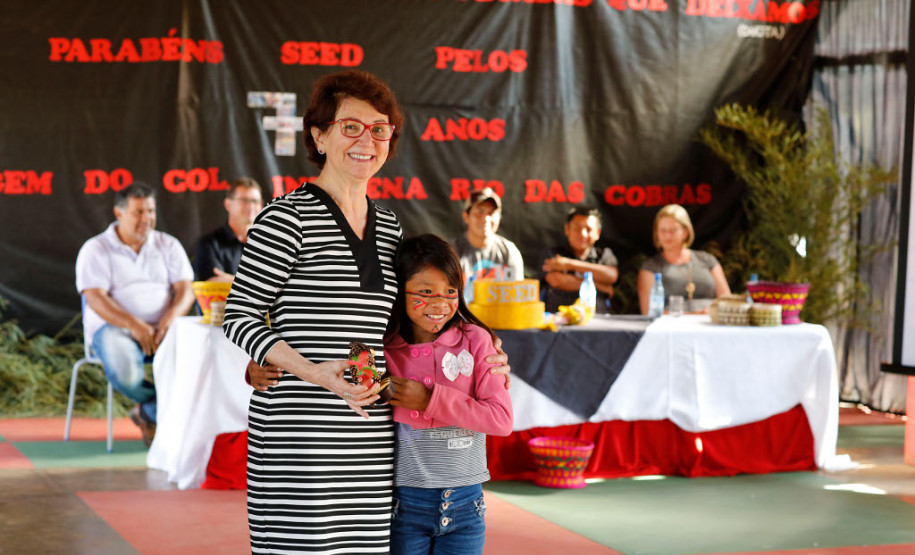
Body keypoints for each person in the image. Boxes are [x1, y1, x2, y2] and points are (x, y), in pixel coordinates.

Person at [222, 70, 510, 554]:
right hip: (300, 438)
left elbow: (413, 316)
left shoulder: (390, 227)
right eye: (350, 126)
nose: (367, 140)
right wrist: (311, 371)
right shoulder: (283, 218)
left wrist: (482, 340)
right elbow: (239, 316)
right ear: (319, 135)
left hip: (372, 444)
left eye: (380, 129)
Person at [383, 234, 512, 555]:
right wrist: (259, 369)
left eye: (450, 292)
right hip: (406, 506)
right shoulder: (383, 348)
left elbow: (501, 419)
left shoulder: (477, 341)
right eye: (425, 292)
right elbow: (347, 382)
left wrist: (430, 400)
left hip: (467, 506)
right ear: (401, 291)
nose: (440, 304)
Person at [75, 182, 195, 447]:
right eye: (138, 212)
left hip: (165, 328)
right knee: (127, 375)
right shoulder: (96, 249)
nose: (147, 219)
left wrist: (170, 319)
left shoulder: (168, 244)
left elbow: (186, 289)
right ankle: (154, 410)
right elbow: (95, 297)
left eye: (150, 211)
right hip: (114, 329)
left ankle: (155, 415)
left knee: (198, 364)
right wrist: (135, 325)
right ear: (119, 213)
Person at [638, 203, 731, 315]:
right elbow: (648, 311)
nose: (667, 235)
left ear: (685, 232)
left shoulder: (707, 260)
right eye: (662, 231)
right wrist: (694, 315)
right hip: (672, 327)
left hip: (711, 323)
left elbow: (727, 300)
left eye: (673, 230)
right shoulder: (651, 266)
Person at [538, 207, 619, 313]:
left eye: (589, 229)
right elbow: (556, 281)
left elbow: (611, 275)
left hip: (598, 320)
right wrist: (600, 286)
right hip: (558, 319)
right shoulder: (552, 253)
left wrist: (569, 264)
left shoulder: (604, 255)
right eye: (577, 228)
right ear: (567, 229)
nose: (583, 234)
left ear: (598, 233)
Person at [449, 187, 524, 300]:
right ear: (466, 216)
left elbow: (518, 296)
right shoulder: (451, 251)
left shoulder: (509, 251)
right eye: (480, 212)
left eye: (491, 213)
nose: (486, 218)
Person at [193, 177, 264, 282]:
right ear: (228, 204)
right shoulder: (209, 244)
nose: (251, 206)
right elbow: (214, 285)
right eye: (244, 200)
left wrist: (232, 280)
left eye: (255, 201)